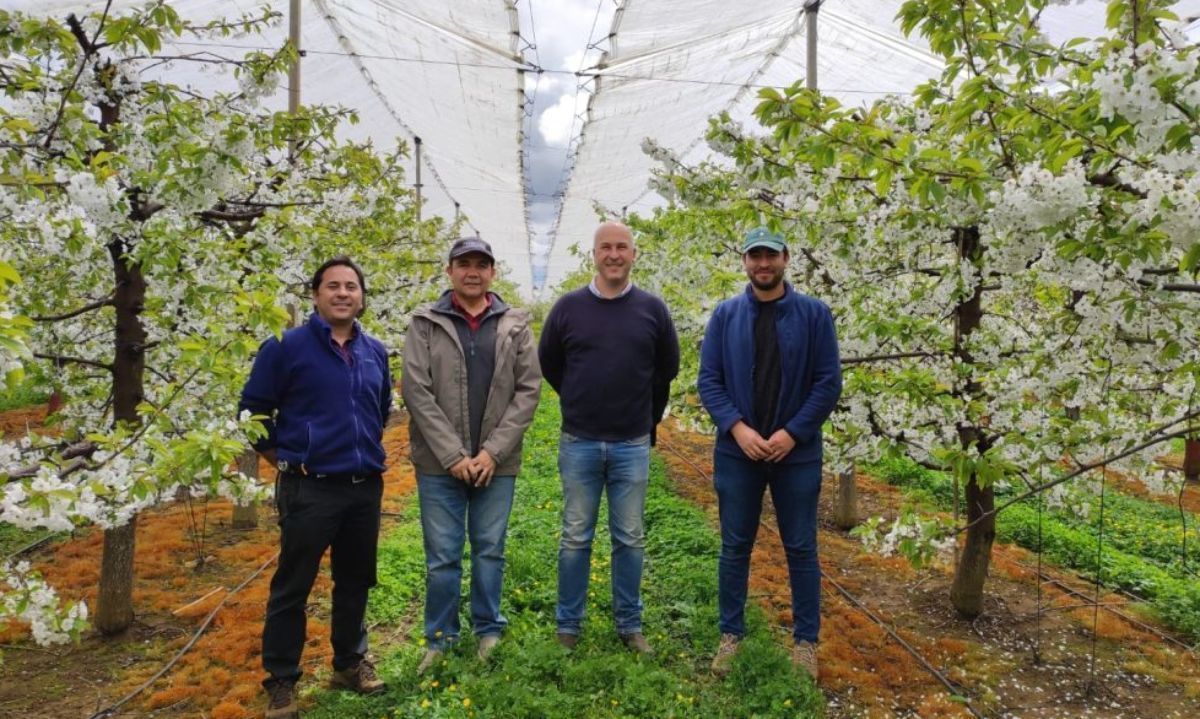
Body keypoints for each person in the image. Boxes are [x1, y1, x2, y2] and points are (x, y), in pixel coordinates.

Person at [240, 256, 393, 719]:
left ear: (362, 296)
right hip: (309, 488)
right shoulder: (285, 347)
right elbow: (253, 413)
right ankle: (282, 682)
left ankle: (349, 661)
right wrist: (288, 459)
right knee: (293, 585)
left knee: (355, 580)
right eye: (333, 286)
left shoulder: (375, 351)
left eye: (351, 285)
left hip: (363, 485)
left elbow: (380, 408)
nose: (343, 293)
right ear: (315, 294)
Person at [698, 227, 842, 680]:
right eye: (754, 256)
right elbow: (710, 381)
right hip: (738, 453)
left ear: (786, 259)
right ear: (744, 261)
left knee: (800, 547)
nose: (763, 264)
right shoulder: (725, 316)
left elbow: (827, 382)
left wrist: (793, 433)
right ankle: (730, 636)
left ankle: (805, 642)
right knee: (735, 546)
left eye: (771, 256)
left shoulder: (814, 315)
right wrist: (737, 429)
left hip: (794, 456)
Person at [538, 220, 680, 653]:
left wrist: (639, 411)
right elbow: (551, 364)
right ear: (594, 255)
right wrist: (582, 396)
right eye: (606, 248)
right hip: (579, 439)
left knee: (629, 537)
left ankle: (629, 625)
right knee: (575, 535)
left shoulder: (652, 309)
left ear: (634, 254)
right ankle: (569, 625)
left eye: (622, 247)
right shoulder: (567, 308)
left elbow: (667, 367)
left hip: (631, 442)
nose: (614, 254)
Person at [402, 237, 541, 673]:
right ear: (450, 271)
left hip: (495, 465)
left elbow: (528, 390)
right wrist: (453, 456)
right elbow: (417, 392)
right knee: (442, 555)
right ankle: (439, 638)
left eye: (482, 264)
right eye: (464, 264)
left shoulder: (515, 325)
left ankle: (488, 630)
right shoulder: (425, 324)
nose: (473, 272)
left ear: (492, 273)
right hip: (439, 464)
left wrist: (492, 453)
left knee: (489, 549)